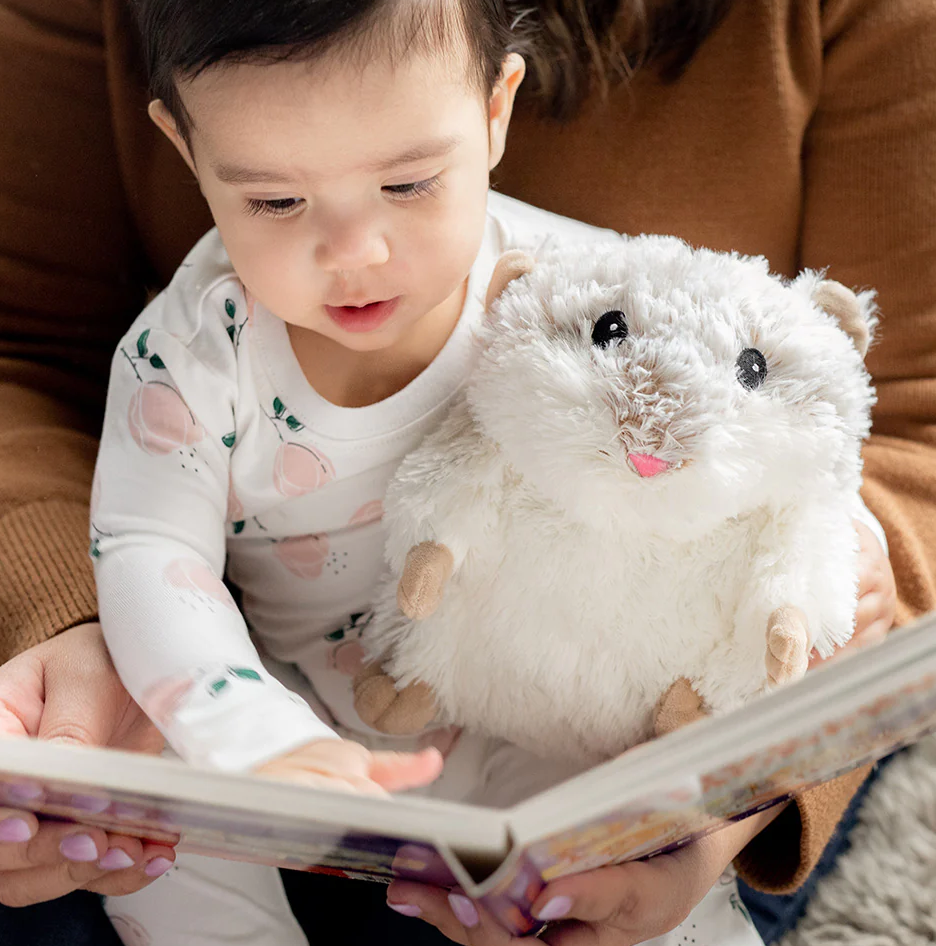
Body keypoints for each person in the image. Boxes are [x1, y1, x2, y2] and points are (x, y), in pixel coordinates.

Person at [0, 0, 925, 941]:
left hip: (529, 695)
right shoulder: (193, 352)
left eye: (409, 185)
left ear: (495, 111)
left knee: (624, 883)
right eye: (276, 202)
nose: (354, 254)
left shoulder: (569, 294)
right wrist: (254, 743)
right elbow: (154, 550)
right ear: (187, 146)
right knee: (153, 839)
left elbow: (771, 424)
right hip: (271, 685)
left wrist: (837, 543)